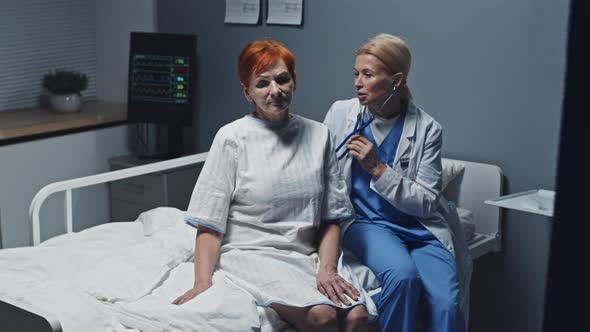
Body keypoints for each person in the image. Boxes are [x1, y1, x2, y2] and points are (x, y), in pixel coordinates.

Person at [173, 39, 373, 331]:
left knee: (357, 317)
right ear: (247, 93)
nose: (275, 91)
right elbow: (210, 223)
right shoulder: (232, 138)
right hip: (252, 253)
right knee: (323, 316)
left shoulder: (319, 136)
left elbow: (332, 217)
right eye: (262, 83)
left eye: (282, 79)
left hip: (304, 254)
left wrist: (326, 269)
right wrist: (202, 283)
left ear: (294, 82)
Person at [323, 33, 472, 332]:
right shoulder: (342, 114)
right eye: (356, 74)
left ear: (396, 80)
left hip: (420, 227)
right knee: (403, 278)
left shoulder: (427, 129)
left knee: (446, 303)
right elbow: (323, 176)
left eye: (368, 75)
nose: (358, 83)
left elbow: (427, 201)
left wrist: (377, 168)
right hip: (367, 223)